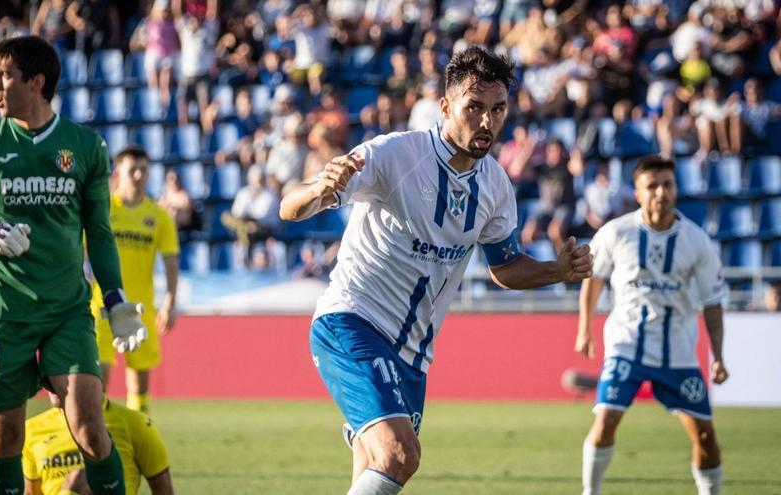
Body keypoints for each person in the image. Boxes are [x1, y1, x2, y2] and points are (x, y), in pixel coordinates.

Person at [279, 46, 593, 494]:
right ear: (446, 107)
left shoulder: (496, 186)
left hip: (413, 355)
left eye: (498, 109)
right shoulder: (393, 155)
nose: (487, 122)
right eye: (474, 108)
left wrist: (556, 271)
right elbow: (289, 209)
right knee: (399, 456)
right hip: (352, 321)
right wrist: (319, 189)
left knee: (377, 467)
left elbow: (504, 267)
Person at [0, 36, 146, 495]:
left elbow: (98, 232)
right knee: (6, 437)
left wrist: (114, 298)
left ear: (36, 83)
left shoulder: (85, 147)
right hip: (2, 311)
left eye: (5, 75)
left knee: (91, 430)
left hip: (66, 311)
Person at [575, 155, 729, 495]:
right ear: (638, 192)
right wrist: (585, 327)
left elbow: (713, 304)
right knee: (606, 418)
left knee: (704, 433)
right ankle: (590, 492)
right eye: (653, 186)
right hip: (626, 343)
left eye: (668, 185)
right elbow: (593, 279)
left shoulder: (696, 241)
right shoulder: (616, 232)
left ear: (676, 189)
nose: (661, 192)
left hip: (677, 350)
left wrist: (717, 355)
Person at [0, 392, 174, 495]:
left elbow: (163, 490)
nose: (48, 379)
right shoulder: (32, 428)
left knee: (80, 477)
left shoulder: (134, 423)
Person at [91, 146, 180, 413]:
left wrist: (170, 303)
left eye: (144, 169)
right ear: (118, 172)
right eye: (133, 170)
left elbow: (171, 261)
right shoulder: (103, 210)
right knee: (98, 383)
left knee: (139, 386)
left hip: (142, 309)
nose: (139, 175)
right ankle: (99, 442)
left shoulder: (159, 216)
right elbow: (80, 253)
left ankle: (135, 441)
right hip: (102, 308)